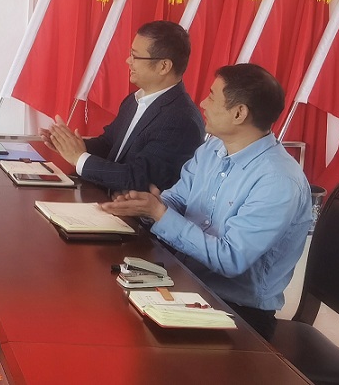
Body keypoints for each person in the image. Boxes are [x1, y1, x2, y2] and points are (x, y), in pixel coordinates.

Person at [101, 64, 311, 340]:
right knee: (108, 310)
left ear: (239, 113)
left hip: (237, 313)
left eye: (212, 96)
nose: (202, 103)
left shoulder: (278, 181)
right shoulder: (213, 148)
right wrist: (146, 205)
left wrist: (160, 214)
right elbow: (178, 198)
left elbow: (230, 259)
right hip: (187, 282)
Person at [42, 20, 204, 191]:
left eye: (135, 56)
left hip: (128, 207)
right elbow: (109, 145)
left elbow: (140, 178)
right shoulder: (134, 100)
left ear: (164, 66)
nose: (128, 61)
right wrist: (68, 144)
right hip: (103, 195)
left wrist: (79, 158)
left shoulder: (181, 120)